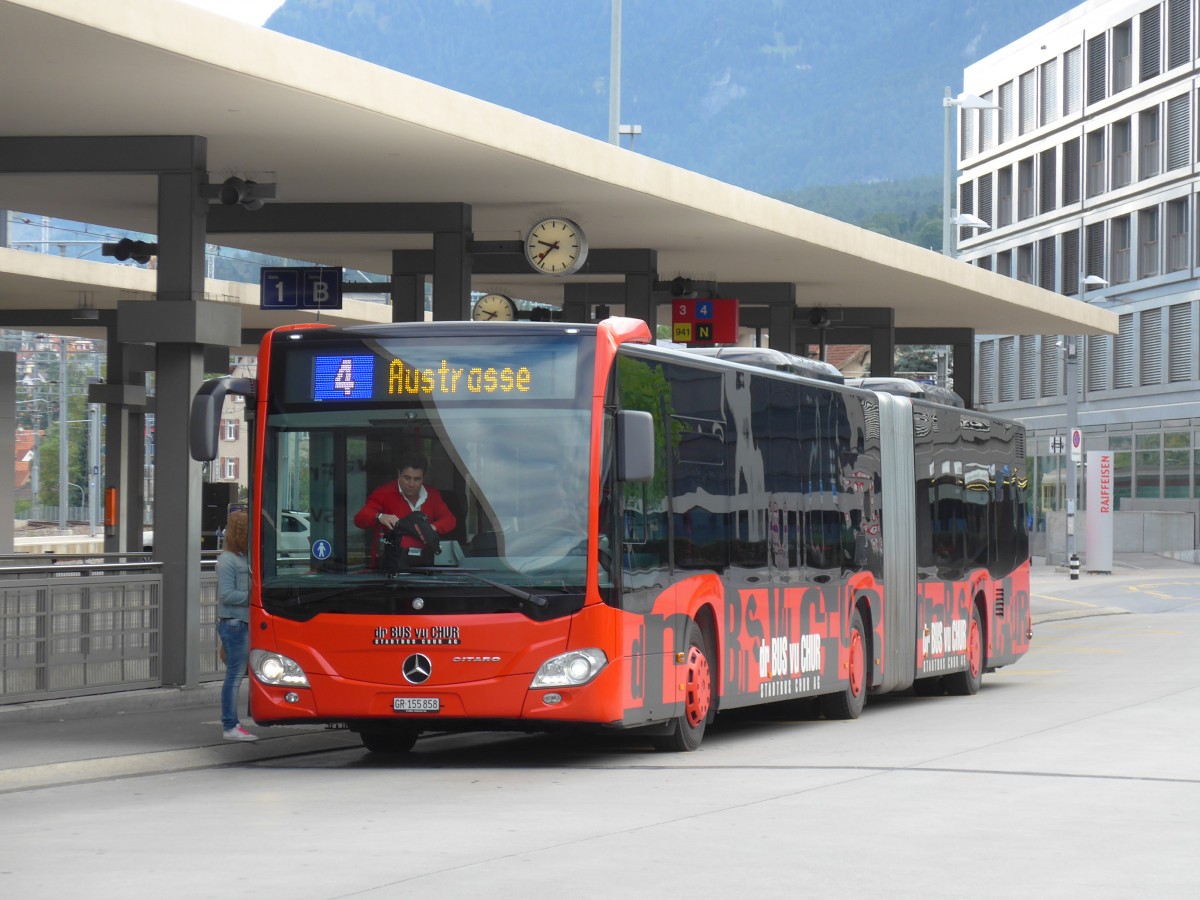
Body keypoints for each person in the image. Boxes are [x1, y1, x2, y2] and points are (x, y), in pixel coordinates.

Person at [354, 453, 456, 567]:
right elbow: (359, 519)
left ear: (424, 477)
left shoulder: (432, 494)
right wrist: (379, 516)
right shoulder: (383, 493)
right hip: (391, 565)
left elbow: (450, 520)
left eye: (417, 479)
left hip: (426, 565)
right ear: (399, 474)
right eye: (407, 478)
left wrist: (431, 528)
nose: (411, 484)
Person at [216, 510, 258, 741]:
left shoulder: (243, 558)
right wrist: (254, 596)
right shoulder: (228, 561)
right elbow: (227, 595)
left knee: (238, 674)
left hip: (243, 623)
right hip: (235, 624)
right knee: (234, 677)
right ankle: (230, 725)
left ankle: (233, 724)